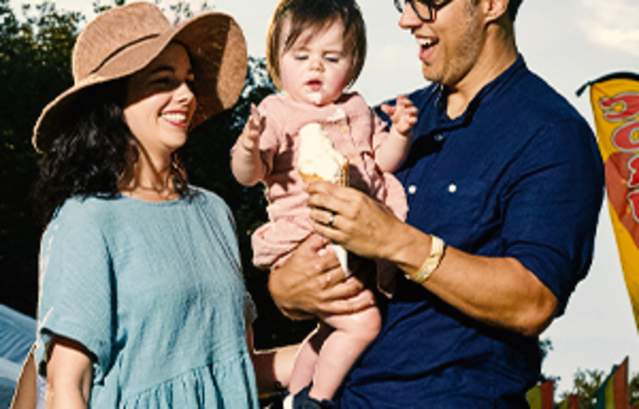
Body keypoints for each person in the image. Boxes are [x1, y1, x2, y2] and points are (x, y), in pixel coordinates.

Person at [267, 0, 605, 407]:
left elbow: (532, 301)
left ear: (492, 5)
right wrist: (287, 286)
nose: (406, 20)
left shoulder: (552, 135)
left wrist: (395, 241)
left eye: (427, 3)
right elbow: (308, 265)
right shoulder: (388, 121)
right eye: (404, 2)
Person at [29, 3, 268, 408]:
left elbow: (236, 367)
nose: (187, 96)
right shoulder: (86, 221)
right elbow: (67, 388)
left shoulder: (213, 213)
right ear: (114, 102)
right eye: (164, 81)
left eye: (189, 81)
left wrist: (332, 346)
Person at [231, 0, 417, 407]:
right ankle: (317, 399)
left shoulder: (356, 109)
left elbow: (380, 162)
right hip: (304, 236)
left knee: (328, 333)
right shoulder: (276, 112)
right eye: (301, 56)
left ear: (353, 64)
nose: (315, 67)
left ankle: (293, 397)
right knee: (363, 323)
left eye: (331, 57)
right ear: (278, 62)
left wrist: (401, 132)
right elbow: (249, 173)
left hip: (352, 238)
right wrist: (248, 145)